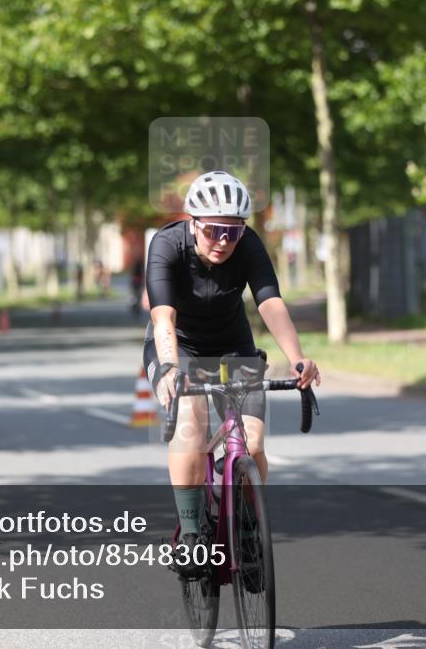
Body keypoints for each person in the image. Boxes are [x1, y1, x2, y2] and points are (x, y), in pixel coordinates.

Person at [143, 170, 320, 576]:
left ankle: (246, 524)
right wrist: (170, 367)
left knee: (253, 443)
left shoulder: (248, 244)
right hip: (178, 344)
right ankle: (191, 536)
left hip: (232, 346)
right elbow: (163, 317)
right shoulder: (167, 245)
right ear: (193, 223)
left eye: (233, 232)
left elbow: (270, 303)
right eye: (214, 231)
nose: (223, 241)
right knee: (191, 421)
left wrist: (297, 359)